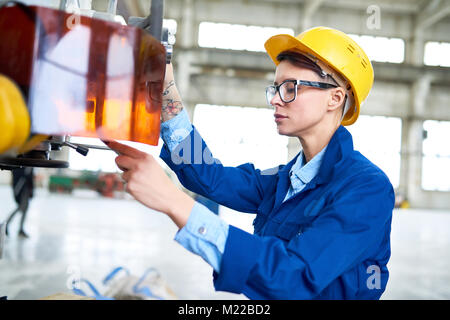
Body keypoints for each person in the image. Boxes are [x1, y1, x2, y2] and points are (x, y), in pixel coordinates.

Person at [105, 27, 395, 299]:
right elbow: (210, 176)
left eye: (291, 87)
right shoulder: (285, 179)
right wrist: (165, 87)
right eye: (276, 87)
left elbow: (296, 277)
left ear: (335, 98)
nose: (276, 100)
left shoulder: (366, 188)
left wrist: (175, 202)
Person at [5, 167, 34, 238]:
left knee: (24, 208)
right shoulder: (23, 163)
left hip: (25, 188)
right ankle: (7, 224)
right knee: (21, 208)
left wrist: (31, 189)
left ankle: (20, 229)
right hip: (21, 188)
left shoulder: (29, 165)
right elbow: (25, 175)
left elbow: (30, 176)